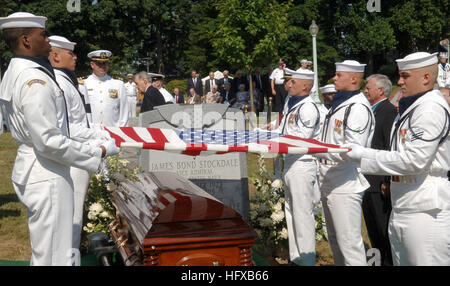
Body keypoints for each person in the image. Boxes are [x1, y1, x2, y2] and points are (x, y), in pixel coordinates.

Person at [0, 12, 120, 266]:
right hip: (47, 171)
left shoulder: (17, 71)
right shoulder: (35, 79)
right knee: (57, 254)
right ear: (26, 40)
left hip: (38, 166)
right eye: (42, 35)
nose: (47, 40)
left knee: (49, 250)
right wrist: (97, 152)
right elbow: (48, 140)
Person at [343, 52, 450, 266]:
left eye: (405, 76)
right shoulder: (414, 107)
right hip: (405, 203)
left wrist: (362, 154)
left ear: (426, 78)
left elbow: (415, 160)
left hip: (426, 209)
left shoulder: (430, 109)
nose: (399, 81)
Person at [48, 35, 114, 251]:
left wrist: (99, 132)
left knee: (73, 216)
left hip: (80, 150)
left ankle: (70, 255)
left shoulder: (69, 80)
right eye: (71, 53)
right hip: (75, 155)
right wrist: (99, 139)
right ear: (56, 56)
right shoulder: (60, 82)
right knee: (72, 218)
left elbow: (82, 119)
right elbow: (68, 127)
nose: (75, 57)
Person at [313, 60, 375, 266]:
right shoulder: (340, 103)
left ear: (354, 79)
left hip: (345, 180)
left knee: (349, 245)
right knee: (335, 240)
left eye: (339, 75)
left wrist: (318, 150)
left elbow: (354, 150)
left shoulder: (357, 107)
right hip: (329, 176)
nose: (334, 78)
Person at [273, 69, 322, 265]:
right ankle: (296, 257)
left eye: (292, 81)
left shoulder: (308, 108)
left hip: (302, 163)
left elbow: (300, 139)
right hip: (291, 162)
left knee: (302, 214)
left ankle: (307, 259)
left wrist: (274, 139)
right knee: (291, 211)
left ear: (305, 86)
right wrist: (261, 133)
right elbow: (282, 130)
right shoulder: (292, 104)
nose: (288, 84)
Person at [362, 74, 397, 266]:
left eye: (368, 88)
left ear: (381, 90)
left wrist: (387, 179)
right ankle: (374, 263)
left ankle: (387, 263)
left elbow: (389, 147)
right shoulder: (371, 110)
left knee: (383, 230)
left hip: (378, 183)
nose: (365, 90)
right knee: (372, 229)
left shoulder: (388, 112)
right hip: (367, 179)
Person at [84, 50, 129, 128]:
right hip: (92, 132)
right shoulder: (84, 84)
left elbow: (124, 111)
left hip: (113, 131)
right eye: (99, 63)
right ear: (92, 64)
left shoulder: (118, 84)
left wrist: (123, 131)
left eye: (105, 63)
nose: (103, 66)